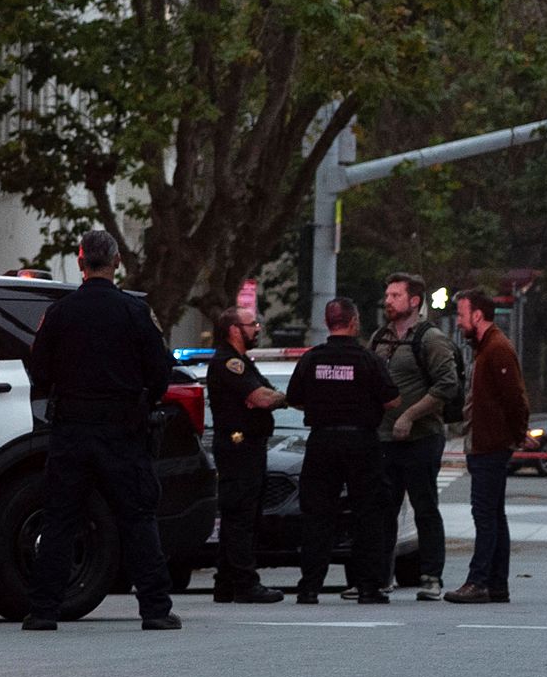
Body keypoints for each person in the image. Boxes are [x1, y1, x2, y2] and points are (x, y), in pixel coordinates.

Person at [21, 229, 180, 630]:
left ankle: (43, 611)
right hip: (121, 429)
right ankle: (155, 610)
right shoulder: (134, 312)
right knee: (138, 518)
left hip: (72, 428)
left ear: (80, 263)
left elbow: (38, 370)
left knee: (60, 519)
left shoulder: (60, 313)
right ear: (116, 262)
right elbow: (159, 373)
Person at [286, 299, 398, 604]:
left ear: (327, 322)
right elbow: (391, 401)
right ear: (354, 321)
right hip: (361, 442)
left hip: (322, 442)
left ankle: (309, 587)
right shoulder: (367, 360)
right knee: (368, 515)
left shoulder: (312, 359)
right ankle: (368, 587)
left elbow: (294, 398)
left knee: (317, 515)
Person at [368, 274, 464, 596]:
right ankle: (382, 577)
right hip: (384, 438)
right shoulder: (379, 338)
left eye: (395, 295)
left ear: (414, 301)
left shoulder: (431, 338)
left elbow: (447, 385)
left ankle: (431, 577)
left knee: (425, 506)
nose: (388, 300)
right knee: (385, 509)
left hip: (422, 437)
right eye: (387, 294)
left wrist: (410, 415)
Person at [200, 309, 287, 603]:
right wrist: (286, 397)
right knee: (241, 516)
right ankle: (245, 583)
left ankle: (226, 581)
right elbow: (261, 397)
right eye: (253, 325)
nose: (258, 329)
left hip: (246, 447)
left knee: (239, 514)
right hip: (240, 448)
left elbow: (262, 395)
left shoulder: (240, 362)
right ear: (235, 330)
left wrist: (268, 398)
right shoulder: (230, 363)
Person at [451, 290, 527, 604]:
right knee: (494, 515)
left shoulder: (496, 349)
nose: (458, 321)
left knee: (485, 514)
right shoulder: (487, 348)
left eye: (461, 314)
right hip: (487, 443)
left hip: (489, 445)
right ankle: (496, 583)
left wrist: (517, 434)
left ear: (477, 316)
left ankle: (478, 580)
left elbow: (515, 399)